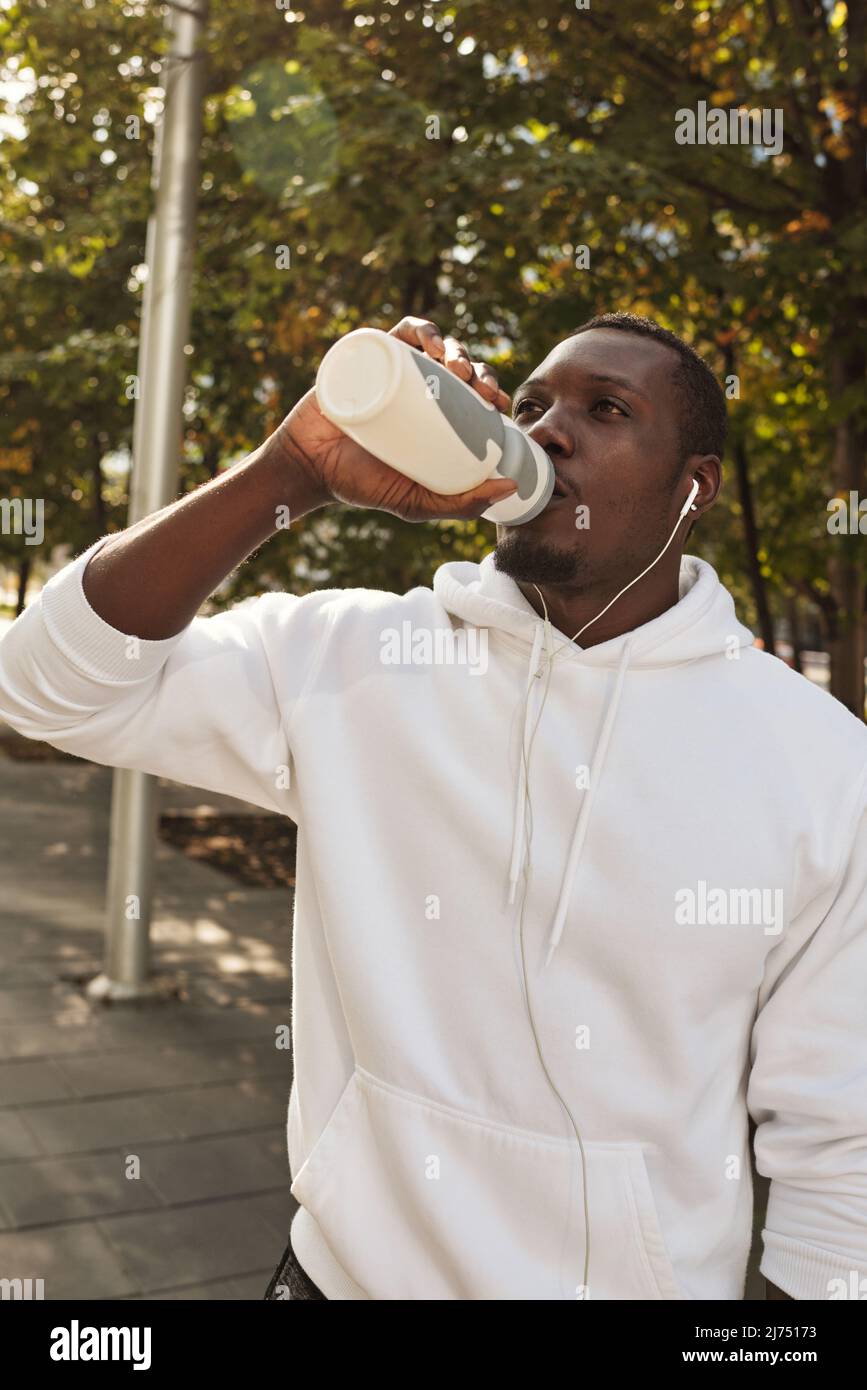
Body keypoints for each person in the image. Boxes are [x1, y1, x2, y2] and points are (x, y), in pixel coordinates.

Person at [1, 311, 865, 1302]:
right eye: (532, 405)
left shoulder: (818, 763)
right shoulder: (353, 658)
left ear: (694, 489)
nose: (547, 430)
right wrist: (290, 473)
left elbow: (844, 1146)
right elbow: (44, 689)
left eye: (605, 409)